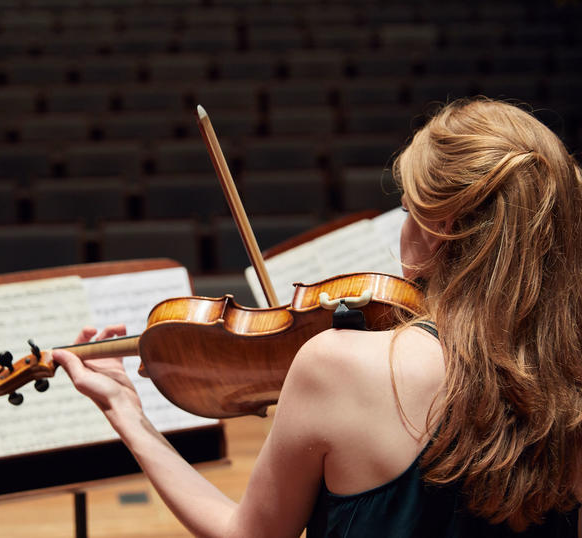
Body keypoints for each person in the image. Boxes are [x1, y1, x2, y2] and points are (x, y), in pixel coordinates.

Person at [52, 98, 582, 537]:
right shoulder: (567, 375)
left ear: (438, 229)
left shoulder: (337, 366)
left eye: (407, 207)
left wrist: (128, 414)